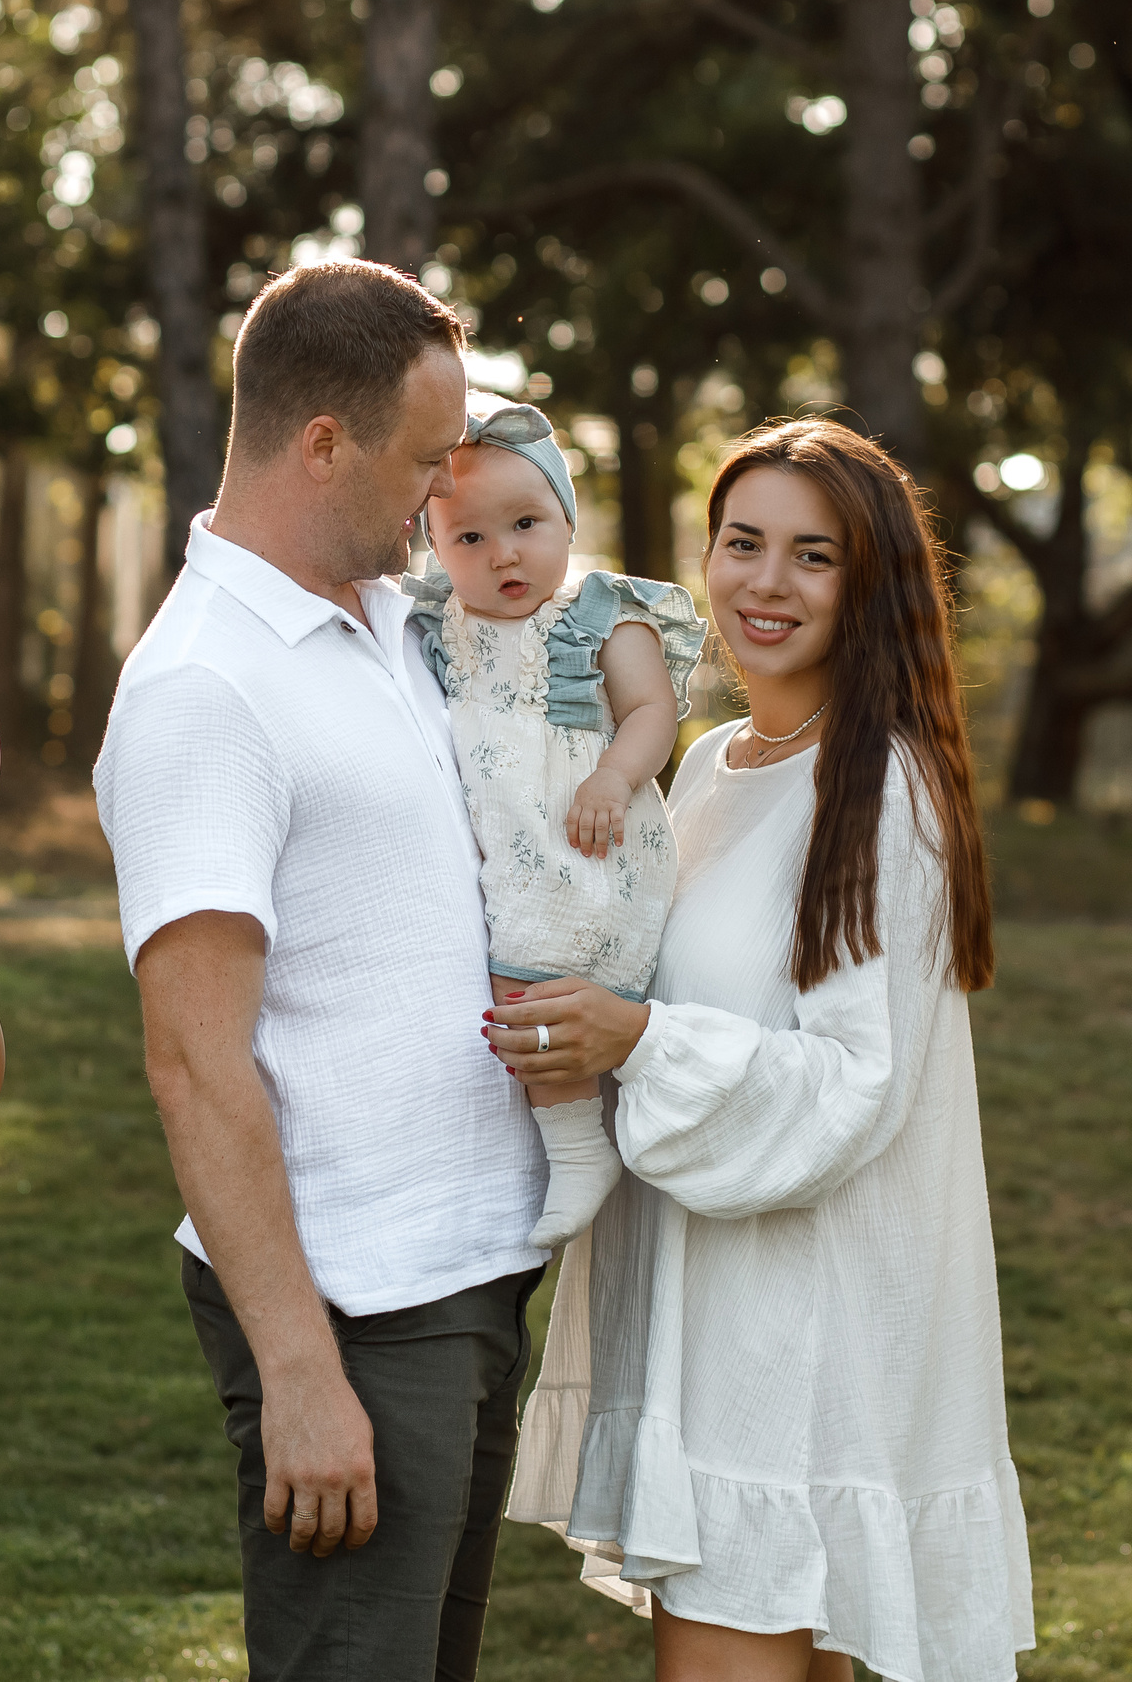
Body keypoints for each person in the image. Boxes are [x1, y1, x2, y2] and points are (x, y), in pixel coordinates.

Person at [494, 419, 1037, 1682]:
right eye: (742, 544)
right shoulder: (708, 766)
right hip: (711, 1323)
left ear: (872, 587)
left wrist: (632, 1037)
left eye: (814, 557)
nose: (765, 584)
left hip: (797, 1352)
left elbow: (854, 1089)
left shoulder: (884, 786)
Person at [93, 260, 549, 1681]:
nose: (440, 499)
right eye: (423, 463)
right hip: (352, 1306)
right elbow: (192, 1056)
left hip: (472, 1273)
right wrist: (299, 1371)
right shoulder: (203, 689)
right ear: (322, 443)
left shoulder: (387, 622)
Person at [403, 396, 708, 1249]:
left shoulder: (597, 615)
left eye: (526, 523)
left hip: (586, 842)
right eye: (469, 538)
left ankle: (583, 1146)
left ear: (567, 524)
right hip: (506, 851)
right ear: (438, 549)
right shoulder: (438, 628)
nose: (503, 553)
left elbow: (651, 709)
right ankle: (578, 1140)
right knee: (518, 990)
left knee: (542, 986)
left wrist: (615, 773)